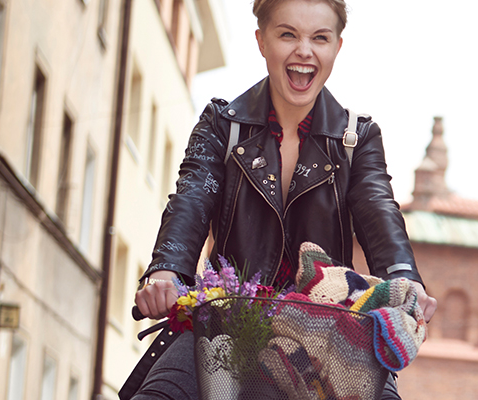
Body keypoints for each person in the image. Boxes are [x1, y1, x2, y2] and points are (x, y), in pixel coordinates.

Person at [123, 0, 437, 399]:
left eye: (319, 38)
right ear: (262, 41)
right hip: (225, 322)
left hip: (329, 333)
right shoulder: (223, 125)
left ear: (337, 48)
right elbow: (191, 197)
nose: (304, 51)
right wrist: (167, 271)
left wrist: (404, 280)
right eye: (287, 34)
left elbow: (379, 211)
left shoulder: (357, 140)